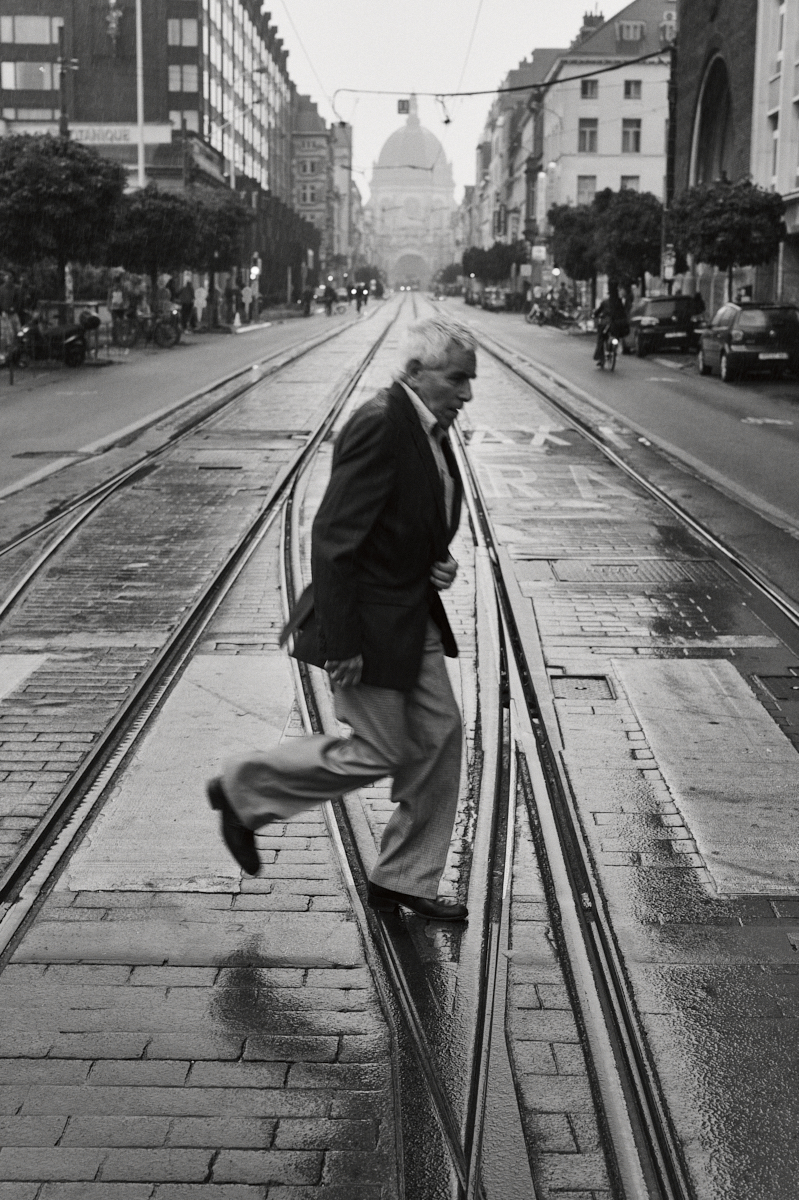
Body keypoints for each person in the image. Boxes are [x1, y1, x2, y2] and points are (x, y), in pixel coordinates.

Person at [206, 316, 477, 922]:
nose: (466, 393)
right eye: (457, 379)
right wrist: (346, 642)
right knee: (382, 750)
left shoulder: (428, 428)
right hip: (368, 623)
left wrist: (438, 560)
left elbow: (412, 515)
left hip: (411, 616)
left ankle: (404, 877)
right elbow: (333, 536)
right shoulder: (381, 424)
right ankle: (243, 789)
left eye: (469, 381)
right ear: (415, 373)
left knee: (438, 739)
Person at [593, 284, 628, 364]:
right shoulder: (619, 302)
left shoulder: (605, 302)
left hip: (607, 324)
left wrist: (594, 315)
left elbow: (598, 311)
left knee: (601, 338)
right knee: (617, 334)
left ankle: (601, 358)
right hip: (617, 325)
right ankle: (615, 346)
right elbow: (623, 312)